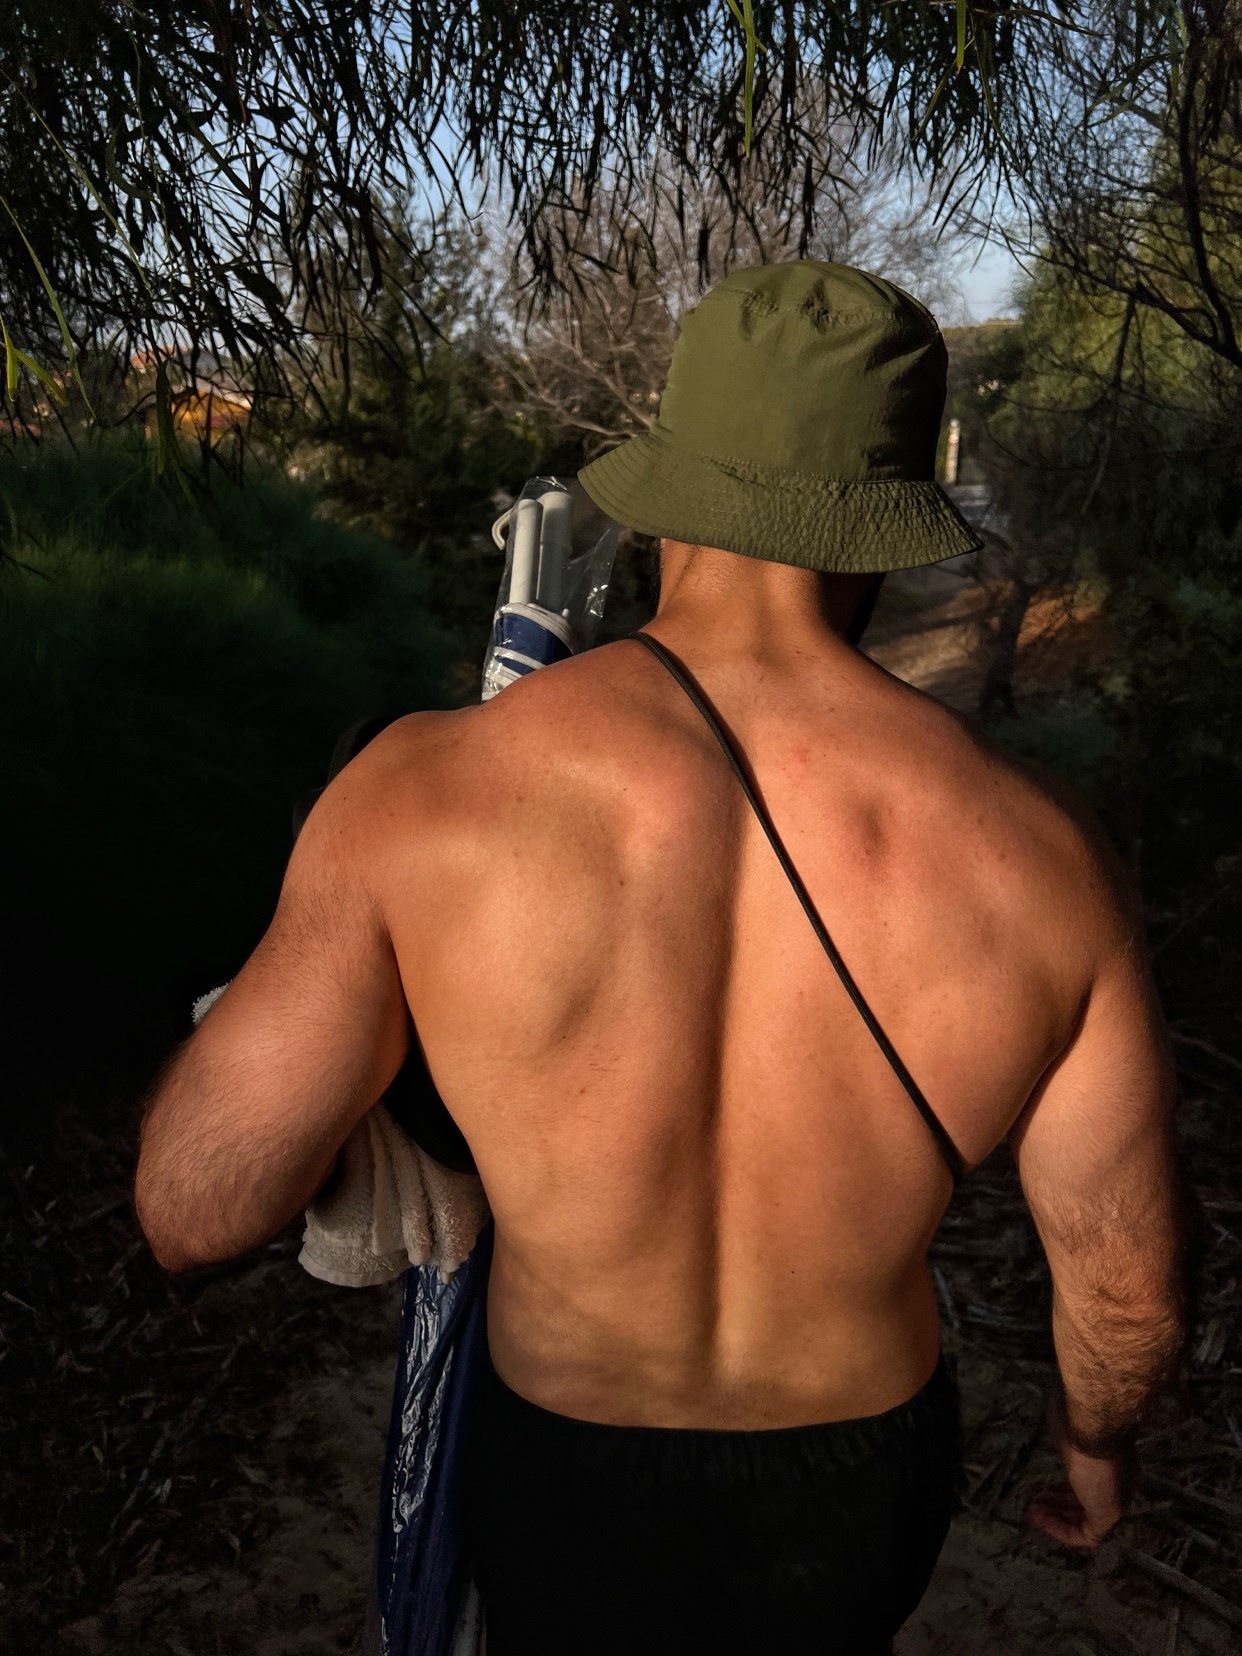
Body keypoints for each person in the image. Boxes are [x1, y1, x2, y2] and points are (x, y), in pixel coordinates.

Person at [136, 262, 1187, 1654]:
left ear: (658, 500)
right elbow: (1124, 1289)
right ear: (875, 531)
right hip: (853, 1475)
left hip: (561, 1458)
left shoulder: (422, 793)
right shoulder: (1041, 855)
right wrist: (1092, 1448)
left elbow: (197, 1206)